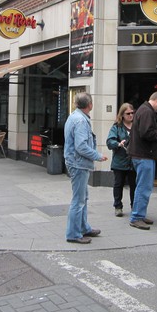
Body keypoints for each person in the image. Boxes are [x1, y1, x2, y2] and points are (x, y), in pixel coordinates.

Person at [64, 92, 108, 244]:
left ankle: (83, 228)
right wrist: (97, 155)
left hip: (76, 162)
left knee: (83, 197)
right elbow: (81, 146)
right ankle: (74, 234)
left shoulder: (74, 116)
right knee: (78, 200)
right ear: (90, 105)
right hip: (78, 164)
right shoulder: (81, 121)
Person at [126, 92, 157, 230]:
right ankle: (137, 217)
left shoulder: (143, 110)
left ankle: (140, 214)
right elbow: (146, 133)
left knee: (143, 186)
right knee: (143, 187)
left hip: (141, 154)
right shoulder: (147, 112)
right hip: (144, 155)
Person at [106, 103, 136, 217]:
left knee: (134, 185)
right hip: (120, 161)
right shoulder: (117, 127)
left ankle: (134, 206)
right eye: (128, 113)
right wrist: (118, 144)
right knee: (118, 184)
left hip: (134, 161)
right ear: (122, 115)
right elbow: (109, 142)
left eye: (132, 113)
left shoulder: (136, 126)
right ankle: (118, 206)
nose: (131, 115)